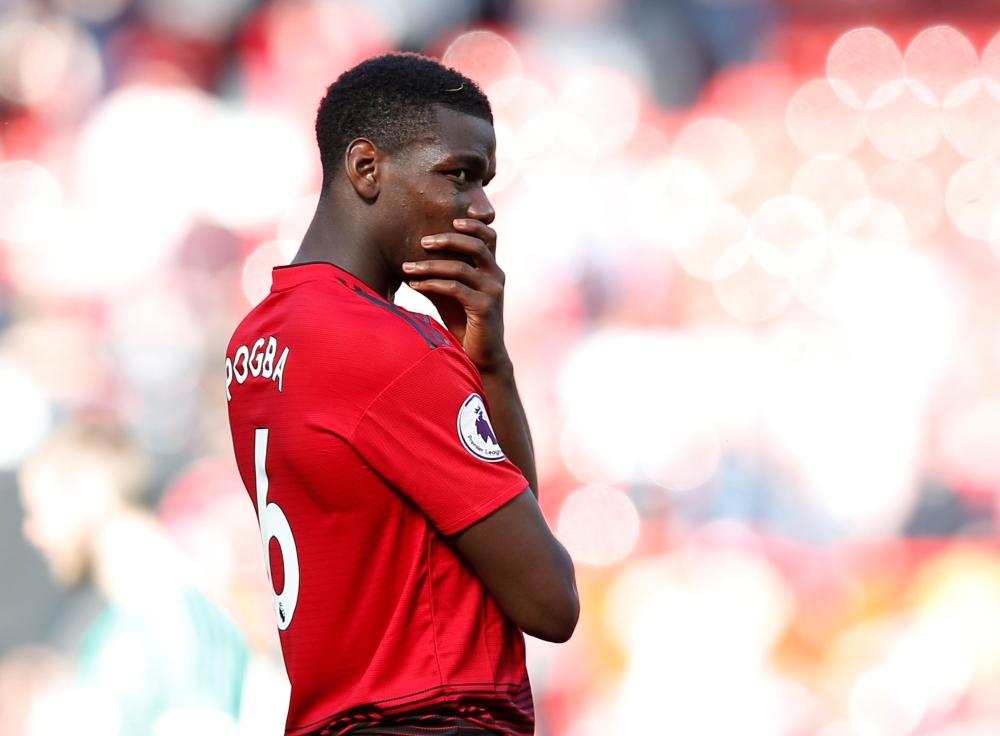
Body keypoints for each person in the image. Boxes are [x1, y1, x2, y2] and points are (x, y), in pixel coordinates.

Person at [225, 53, 579, 735]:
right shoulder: (388, 348)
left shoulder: (255, 341)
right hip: (433, 718)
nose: (483, 208)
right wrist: (486, 370)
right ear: (367, 168)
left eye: (484, 182)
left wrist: (488, 364)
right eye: (459, 174)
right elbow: (547, 601)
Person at [18, 417, 249, 735]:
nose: (31, 531)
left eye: (38, 510)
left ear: (90, 492)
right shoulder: (115, 622)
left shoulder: (182, 613)